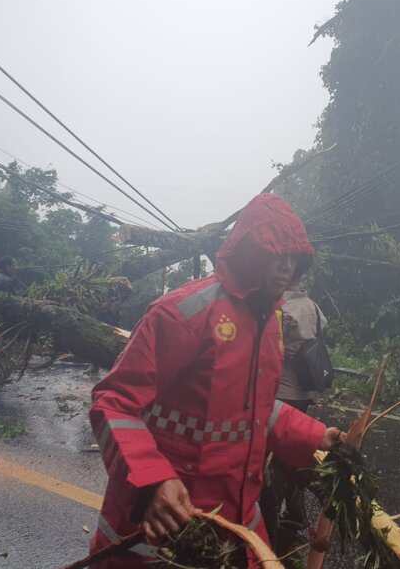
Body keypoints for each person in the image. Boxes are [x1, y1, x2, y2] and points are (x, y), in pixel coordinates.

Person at [88, 194, 344, 568]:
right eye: (276, 255)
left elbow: (254, 409)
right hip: (162, 534)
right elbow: (114, 403)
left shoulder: (270, 321)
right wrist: (153, 481)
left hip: (235, 530)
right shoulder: (184, 312)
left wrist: (316, 436)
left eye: (294, 259)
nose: (286, 268)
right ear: (249, 253)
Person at [260, 287, 328, 564]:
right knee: (294, 454)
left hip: (284, 391)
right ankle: (295, 512)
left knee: (276, 458)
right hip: (306, 390)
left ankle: (275, 514)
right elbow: (321, 331)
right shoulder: (314, 307)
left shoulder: (284, 310)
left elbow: (273, 346)